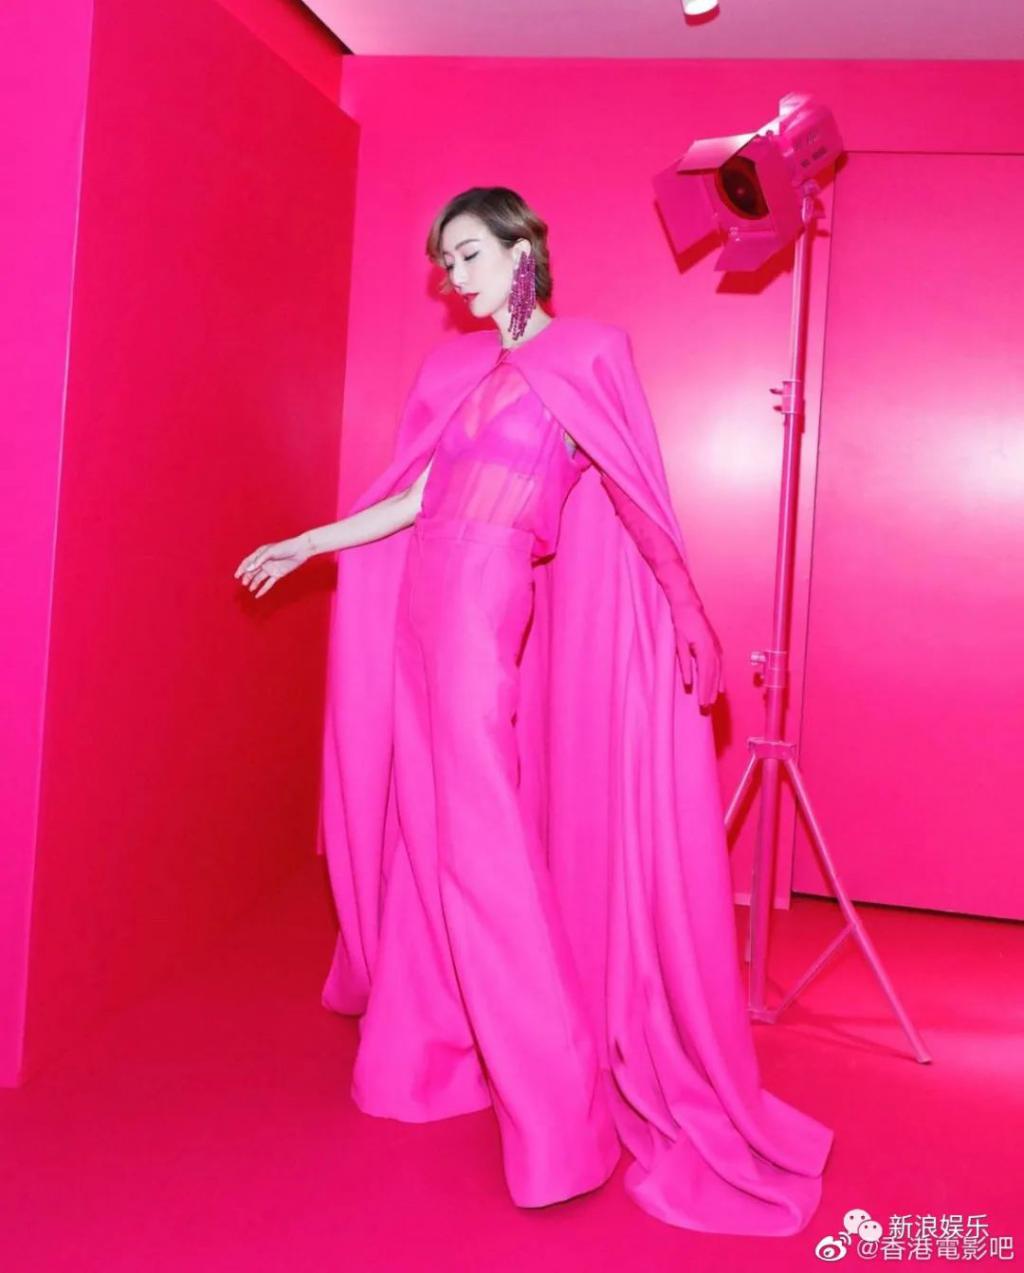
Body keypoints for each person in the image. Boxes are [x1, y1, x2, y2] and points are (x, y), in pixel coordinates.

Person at [234, 187, 833, 1235]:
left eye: (468, 254)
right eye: (444, 262)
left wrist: (687, 607)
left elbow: (635, 491)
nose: (452, 277)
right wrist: (309, 542)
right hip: (421, 611)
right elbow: (415, 497)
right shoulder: (459, 371)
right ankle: (434, 1052)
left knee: (485, 852)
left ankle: (560, 1116)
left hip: (481, 611)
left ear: (522, 249)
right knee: (431, 833)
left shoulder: (589, 353)